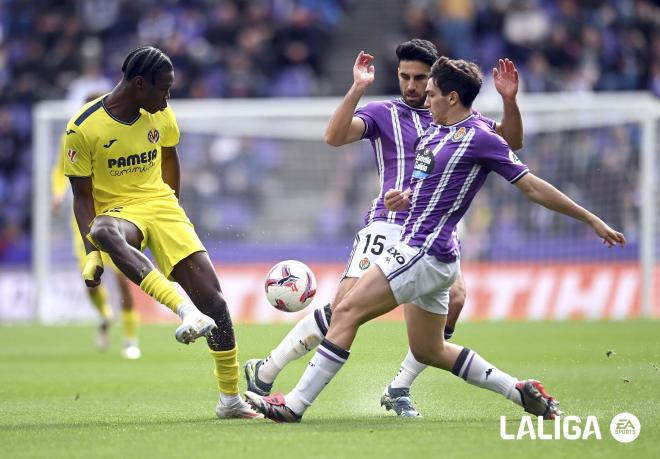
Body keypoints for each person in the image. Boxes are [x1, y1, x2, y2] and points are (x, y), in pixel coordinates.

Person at [245, 56, 625, 422]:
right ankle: (518, 389)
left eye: (431, 94)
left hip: (422, 249)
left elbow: (532, 186)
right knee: (429, 349)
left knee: (346, 311)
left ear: (452, 98)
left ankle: (293, 404)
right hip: (438, 259)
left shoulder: (479, 136)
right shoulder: (435, 133)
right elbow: (431, 185)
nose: (424, 100)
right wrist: (407, 195)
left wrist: (591, 219)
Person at [243, 39, 524, 417]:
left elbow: (511, 141)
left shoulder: (460, 118)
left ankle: (399, 386)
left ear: (436, 81)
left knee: (455, 299)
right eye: (405, 76)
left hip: (434, 228)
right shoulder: (383, 113)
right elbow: (334, 136)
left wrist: (509, 101)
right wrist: (358, 88)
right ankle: (268, 369)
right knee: (345, 306)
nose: (411, 86)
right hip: (388, 224)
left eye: (420, 78)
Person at [63, 46, 261, 419]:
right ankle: (182, 310)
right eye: (164, 89)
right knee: (102, 230)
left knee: (216, 304)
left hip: (162, 205)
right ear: (139, 84)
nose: (168, 98)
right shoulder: (83, 128)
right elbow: (81, 196)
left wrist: (176, 212)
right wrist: (92, 253)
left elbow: (169, 157)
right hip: (120, 212)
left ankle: (230, 400)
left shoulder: (162, 114)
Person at [52, 93, 141, 360]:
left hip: (114, 216)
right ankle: (105, 315)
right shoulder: (73, 136)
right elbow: (59, 170)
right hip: (83, 219)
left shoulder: (118, 135)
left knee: (124, 280)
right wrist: (57, 193)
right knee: (90, 279)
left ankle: (130, 339)